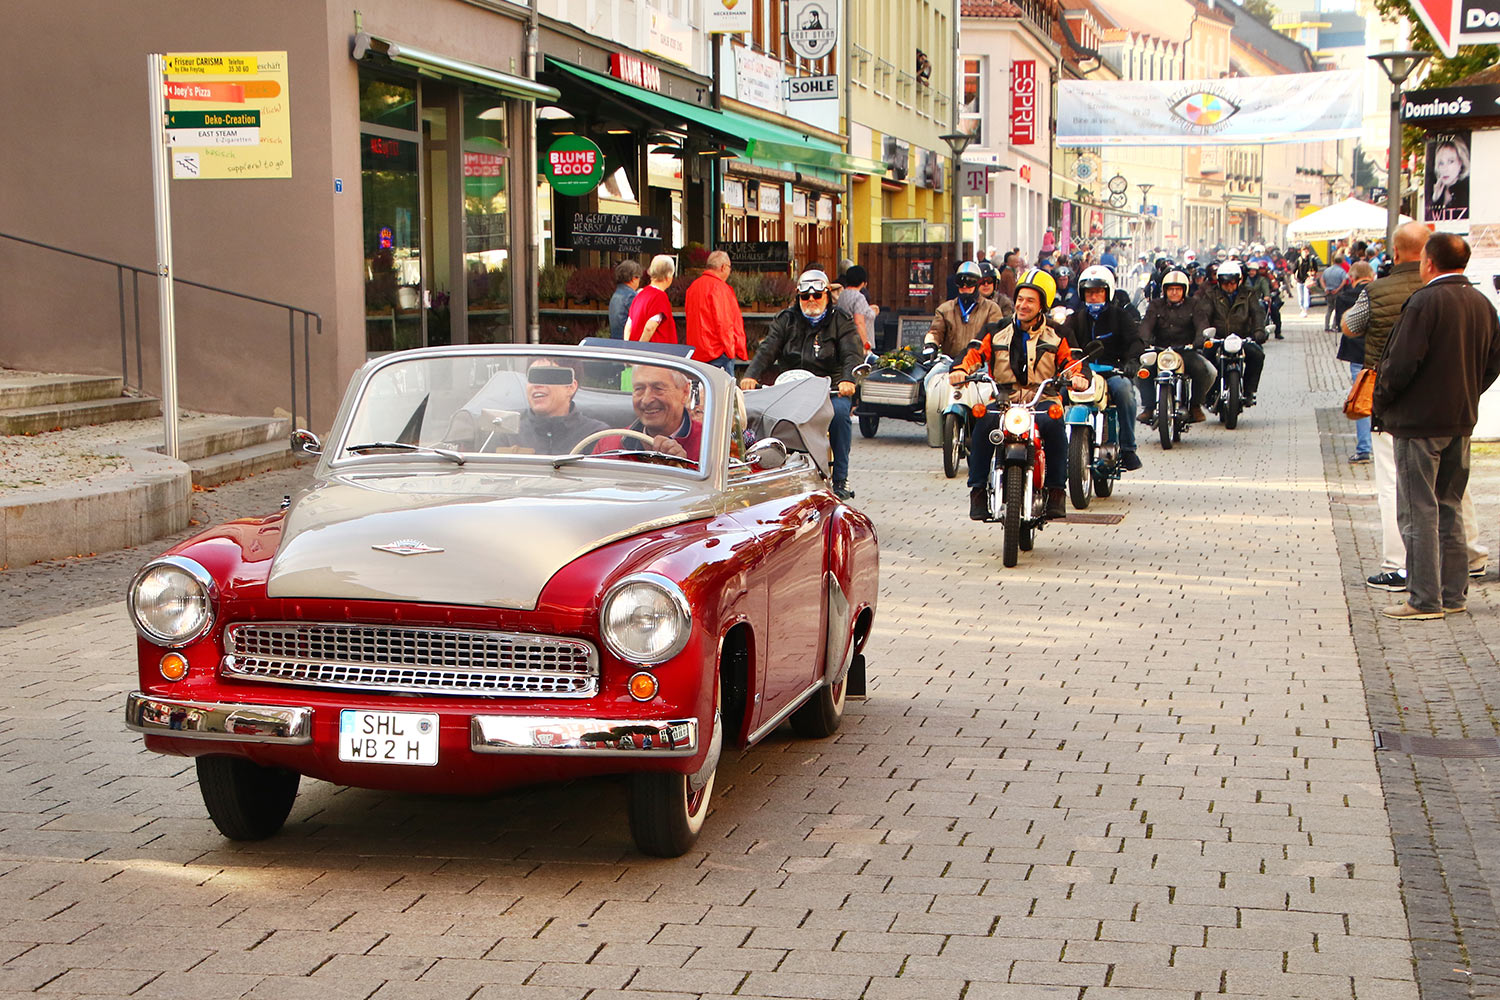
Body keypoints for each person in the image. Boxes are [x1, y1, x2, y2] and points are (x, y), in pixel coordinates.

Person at [1345, 222, 1491, 594]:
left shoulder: (1420, 300)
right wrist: (1470, 390)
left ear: (1428, 261)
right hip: (1459, 417)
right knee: (1451, 505)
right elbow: (1493, 360)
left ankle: (1422, 594)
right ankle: (1454, 591)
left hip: (1415, 420)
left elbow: (1400, 363)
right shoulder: (1480, 301)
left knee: (1416, 507)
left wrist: (1382, 400)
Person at [951, 267, 1083, 521]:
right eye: (1020, 299)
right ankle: (977, 489)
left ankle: (1056, 490)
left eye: (1030, 300)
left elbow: (1072, 361)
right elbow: (974, 353)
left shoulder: (1059, 333)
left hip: (1042, 398)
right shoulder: (995, 329)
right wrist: (960, 370)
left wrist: (1077, 377)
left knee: (1054, 424)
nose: (1023, 305)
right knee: (983, 422)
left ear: (1043, 305)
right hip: (1003, 398)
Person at [741, 269, 864, 500]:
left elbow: (851, 354)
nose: (811, 301)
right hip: (791, 390)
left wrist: (848, 379)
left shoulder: (841, 321)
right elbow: (767, 350)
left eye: (817, 295)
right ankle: (761, 469)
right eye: (805, 296)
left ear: (827, 295)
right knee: (758, 413)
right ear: (798, 297)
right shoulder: (785, 320)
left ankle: (840, 478)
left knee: (839, 415)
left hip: (830, 389)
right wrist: (751, 375)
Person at [1060, 264, 1144, 470]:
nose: (1094, 297)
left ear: (1108, 292)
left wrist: (1132, 361)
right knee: (1058, 394)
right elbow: (1061, 343)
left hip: (1112, 371)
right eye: (1089, 293)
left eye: (1098, 292)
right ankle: (1056, 447)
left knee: (1125, 392)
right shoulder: (1075, 319)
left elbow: (1136, 341)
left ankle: (1128, 448)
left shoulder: (1120, 316)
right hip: (1081, 373)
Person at [1139, 269, 1215, 424]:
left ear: (1184, 290)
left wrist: (1198, 342)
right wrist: (1143, 342)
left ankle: (1195, 406)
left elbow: (1202, 324)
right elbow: (1146, 324)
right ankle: (1148, 407)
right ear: (1165, 290)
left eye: (1178, 289)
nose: (1174, 293)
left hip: (1185, 350)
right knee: (1142, 371)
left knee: (1203, 370)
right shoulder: (1155, 305)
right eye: (1171, 289)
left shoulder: (1194, 305)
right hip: (1160, 351)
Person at [488, 361, 609, 454]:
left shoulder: (596, 435)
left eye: (547, 376)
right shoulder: (506, 430)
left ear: (570, 387)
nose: (537, 385)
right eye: (533, 377)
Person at [597, 364, 704, 462]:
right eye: (639, 389)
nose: (646, 400)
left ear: (685, 392)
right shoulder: (609, 446)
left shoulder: (709, 447)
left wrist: (685, 468)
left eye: (658, 388)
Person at [1195, 260, 1267, 405]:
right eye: (1226, 283)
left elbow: (1257, 313)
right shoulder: (1210, 295)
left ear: (1239, 281)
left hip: (1241, 338)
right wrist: (1203, 335)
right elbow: (1203, 315)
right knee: (1204, 358)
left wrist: (1259, 331)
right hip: (1218, 338)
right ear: (1220, 282)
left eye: (1233, 282)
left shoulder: (1249, 295)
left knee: (1258, 355)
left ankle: (1249, 391)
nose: (1229, 286)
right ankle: (1209, 392)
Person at [925, 261, 1011, 362]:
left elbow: (996, 336)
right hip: (949, 363)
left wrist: (979, 350)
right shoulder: (944, 309)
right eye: (961, 282)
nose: (965, 286)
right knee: (929, 377)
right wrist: (931, 344)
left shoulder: (991, 308)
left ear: (977, 283)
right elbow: (935, 331)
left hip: (980, 364)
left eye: (970, 282)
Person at [1335, 262, 1376, 463]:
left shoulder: (1344, 297)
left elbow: (1340, 325)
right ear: (1372, 275)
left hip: (1357, 356)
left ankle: (1364, 449)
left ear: (1352, 278)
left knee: (1360, 401)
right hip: (1380, 354)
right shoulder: (1379, 294)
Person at [684, 250, 747, 375]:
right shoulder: (720, 288)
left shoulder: (693, 287)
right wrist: (731, 351)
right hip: (717, 353)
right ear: (723, 267)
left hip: (697, 352)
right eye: (729, 267)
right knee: (723, 392)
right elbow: (724, 323)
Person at [626, 254, 678, 344]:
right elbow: (650, 327)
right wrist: (640, 348)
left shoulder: (640, 294)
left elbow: (628, 325)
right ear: (668, 277)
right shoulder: (660, 297)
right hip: (656, 352)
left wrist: (628, 347)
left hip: (634, 352)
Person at [836, 264, 881, 351]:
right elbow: (859, 322)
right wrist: (866, 345)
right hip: (858, 345)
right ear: (863, 283)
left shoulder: (842, 294)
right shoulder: (859, 297)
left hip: (844, 341)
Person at [1426, 135, 1470, 222]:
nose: (1445, 168)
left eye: (1451, 161)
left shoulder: (1466, 191)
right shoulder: (1437, 191)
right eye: (1441, 163)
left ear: (1461, 162)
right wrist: (1435, 199)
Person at [608, 260, 642, 340]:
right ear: (634, 278)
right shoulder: (631, 296)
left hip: (615, 340)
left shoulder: (616, 294)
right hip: (627, 342)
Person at [1320, 256, 1347, 332]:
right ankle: (1334, 326)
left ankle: (1326, 326)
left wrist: (1325, 288)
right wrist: (1338, 289)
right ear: (1341, 262)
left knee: (1329, 309)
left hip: (1328, 292)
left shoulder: (1327, 270)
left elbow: (1322, 279)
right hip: (1338, 292)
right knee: (1337, 310)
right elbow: (1344, 281)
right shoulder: (1342, 271)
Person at [1293, 246, 1317, 318]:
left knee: (1306, 295)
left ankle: (1305, 310)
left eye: (1306, 251)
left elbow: (1315, 269)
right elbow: (1294, 270)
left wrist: (1312, 274)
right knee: (1300, 296)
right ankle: (1302, 308)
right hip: (1299, 280)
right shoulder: (1299, 260)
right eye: (1304, 251)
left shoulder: (1311, 260)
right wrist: (1294, 278)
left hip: (1308, 280)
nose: (1305, 253)